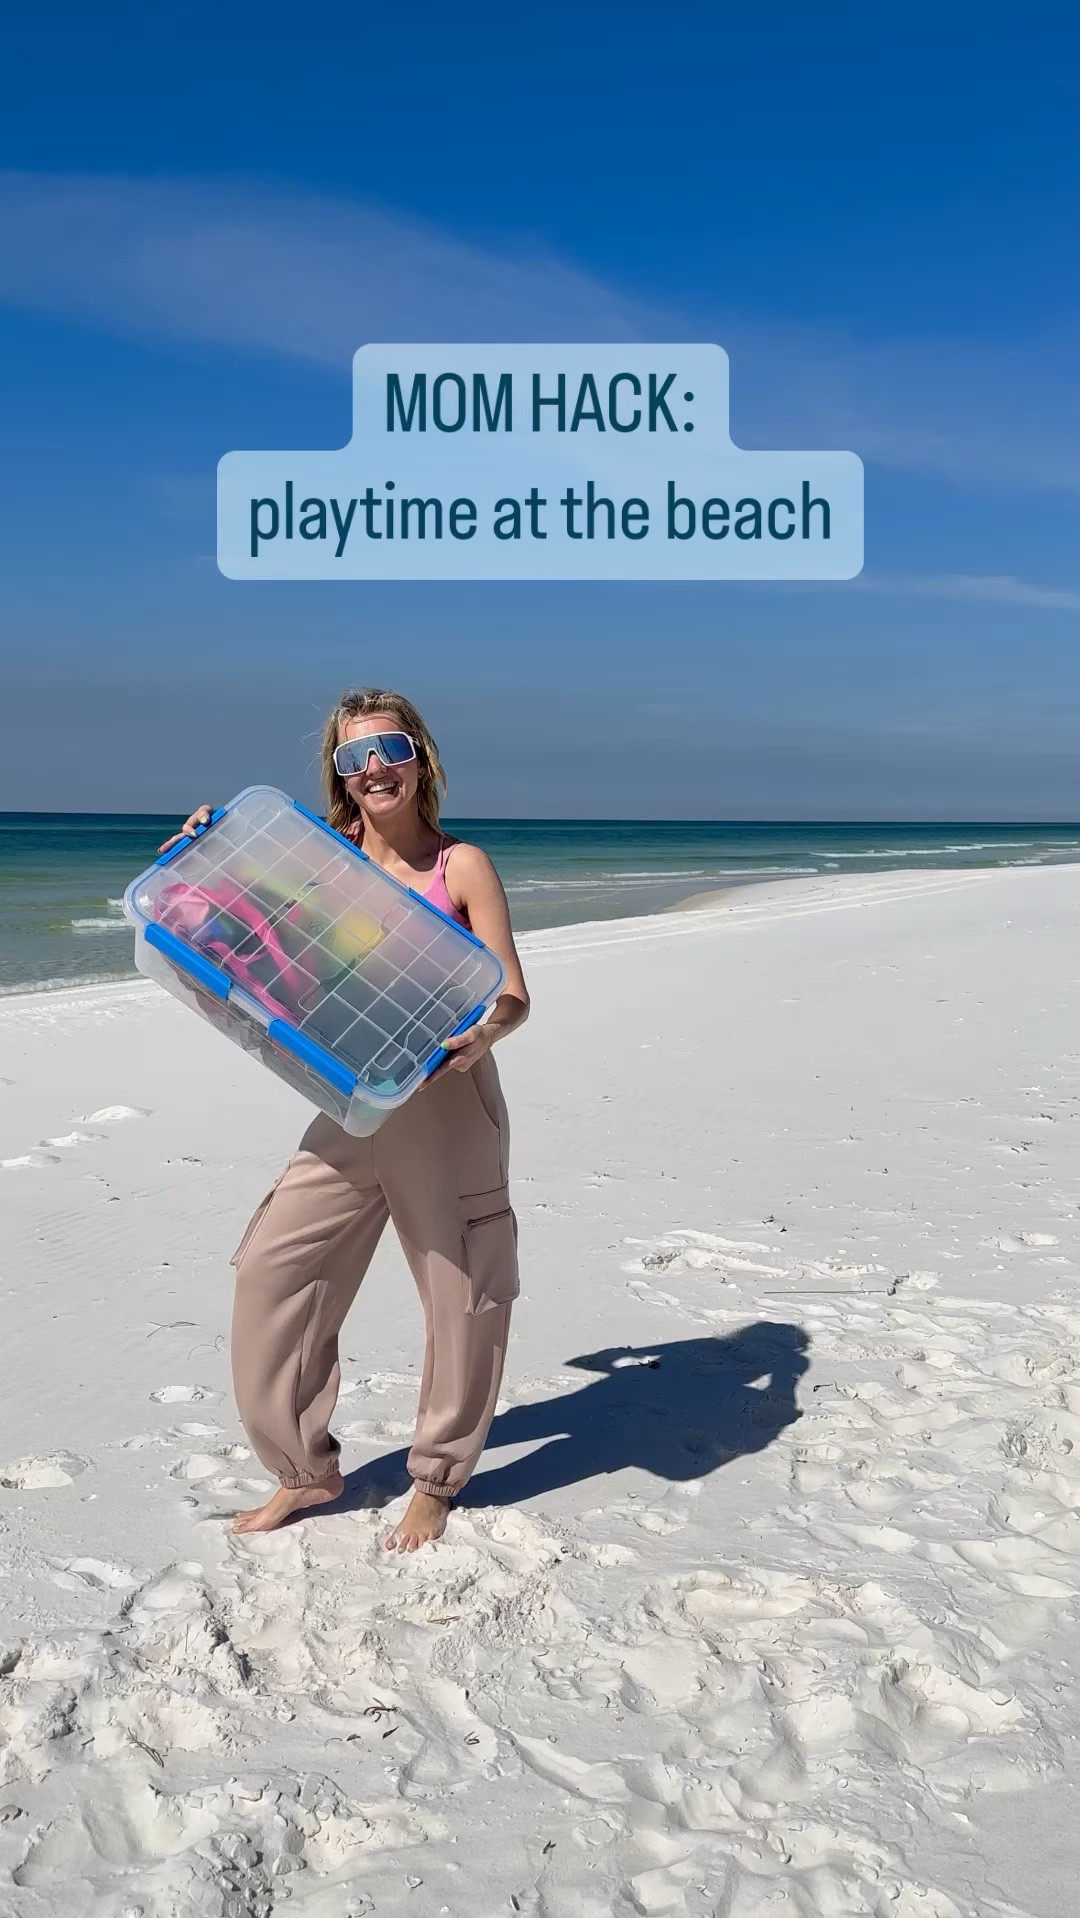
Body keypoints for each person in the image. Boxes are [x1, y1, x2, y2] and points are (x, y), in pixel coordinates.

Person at [159, 688, 530, 1549]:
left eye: (388, 749)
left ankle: (436, 1480)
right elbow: (231, 928)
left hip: (446, 1101)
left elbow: (510, 990)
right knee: (271, 1271)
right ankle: (307, 1470)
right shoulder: (319, 858)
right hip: (356, 1101)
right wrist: (199, 855)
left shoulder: (459, 865)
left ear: (420, 758)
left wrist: (489, 1028)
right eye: (350, 759)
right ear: (337, 775)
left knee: (461, 1293)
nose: (372, 771)